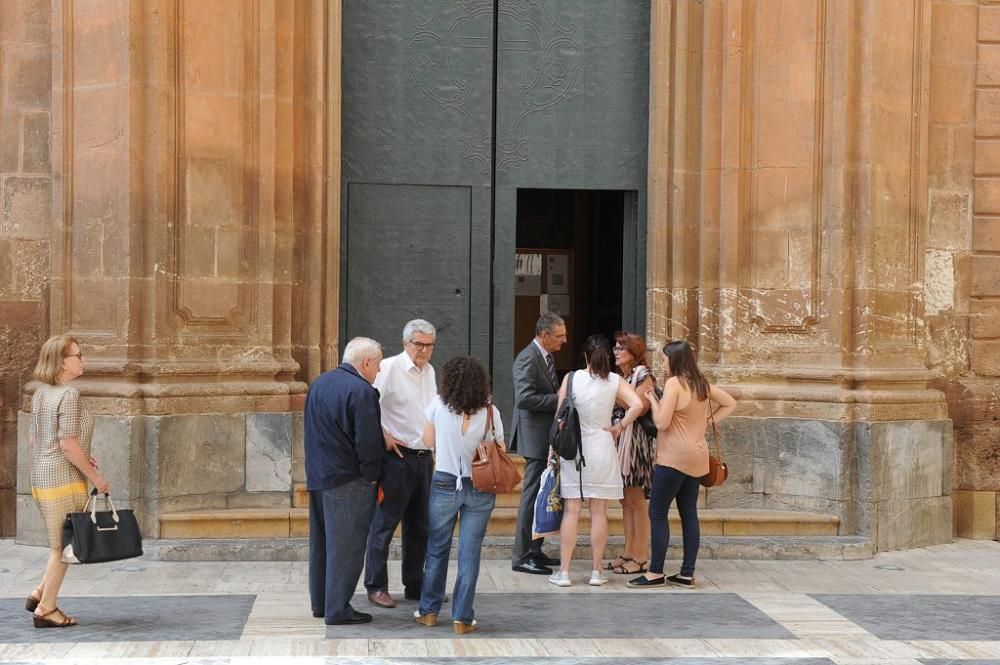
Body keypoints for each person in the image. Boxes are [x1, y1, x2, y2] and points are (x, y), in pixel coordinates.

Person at [627, 340, 737, 590]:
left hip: (673, 457)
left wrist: (653, 400)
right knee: (689, 514)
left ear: (674, 360)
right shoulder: (701, 384)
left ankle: (655, 572)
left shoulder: (674, 383)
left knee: (657, 512)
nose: (663, 362)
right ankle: (687, 574)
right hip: (698, 457)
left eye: (665, 358)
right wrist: (707, 421)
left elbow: (662, 423)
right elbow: (731, 402)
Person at [27, 334, 110, 628]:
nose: (83, 359)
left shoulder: (40, 393)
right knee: (63, 546)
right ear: (62, 362)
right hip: (62, 477)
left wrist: (84, 456)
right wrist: (96, 477)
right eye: (78, 355)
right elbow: (67, 444)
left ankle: (39, 593)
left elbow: (37, 438)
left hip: (42, 474)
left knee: (59, 543)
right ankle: (46, 609)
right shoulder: (68, 394)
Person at [413, 356, 501, 634]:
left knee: (437, 549)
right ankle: (462, 618)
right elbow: (501, 445)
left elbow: (428, 442)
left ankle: (428, 611)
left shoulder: (438, 406)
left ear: (448, 380)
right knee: (469, 553)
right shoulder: (489, 411)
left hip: (444, 483)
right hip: (480, 486)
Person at [548, 335, 643, 588]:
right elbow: (638, 404)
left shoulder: (572, 378)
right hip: (602, 447)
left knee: (572, 510)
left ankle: (565, 572)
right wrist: (619, 426)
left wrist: (552, 451)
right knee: (599, 511)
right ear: (607, 358)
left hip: (574, 450)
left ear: (586, 356)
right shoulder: (615, 381)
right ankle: (596, 571)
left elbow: (559, 416)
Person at [305, 337, 385, 625]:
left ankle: (322, 603)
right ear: (366, 362)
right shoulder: (362, 391)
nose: (378, 372)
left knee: (323, 543)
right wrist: (373, 477)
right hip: (349, 480)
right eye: (377, 366)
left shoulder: (319, 383)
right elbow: (368, 442)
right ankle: (338, 608)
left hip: (318, 476)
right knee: (347, 547)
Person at [364, 319, 438, 608]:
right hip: (396, 459)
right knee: (384, 525)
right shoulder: (391, 368)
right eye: (418, 344)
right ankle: (376, 585)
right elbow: (369, 403)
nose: (424, 351)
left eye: (429, 345)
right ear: (405, 343)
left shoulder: (430, 372)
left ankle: (415, 584)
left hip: (423, 459)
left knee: (420, 526)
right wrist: (383, 435)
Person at [510, 312, 567, 575]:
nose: (564, 340)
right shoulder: (527, 358)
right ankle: (521, 555)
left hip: (544, 437)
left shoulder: (545, 356)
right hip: (533, 438)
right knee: (531, 496)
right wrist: (558, 400)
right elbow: (524, 399)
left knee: (542, 494)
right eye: (560, 336)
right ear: (544, 336)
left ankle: (535, 549)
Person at [606, 331, 656, 575]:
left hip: (634, 442)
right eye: (615, 348)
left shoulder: (643, 375)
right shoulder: (622, 377)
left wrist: (616, 391)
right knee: (625, 500)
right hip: (620, 440)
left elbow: (640, 406)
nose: (615, 352)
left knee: (637, 501)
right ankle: (628, 550)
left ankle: (641, 556)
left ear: (633, 353)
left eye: (620, 348)